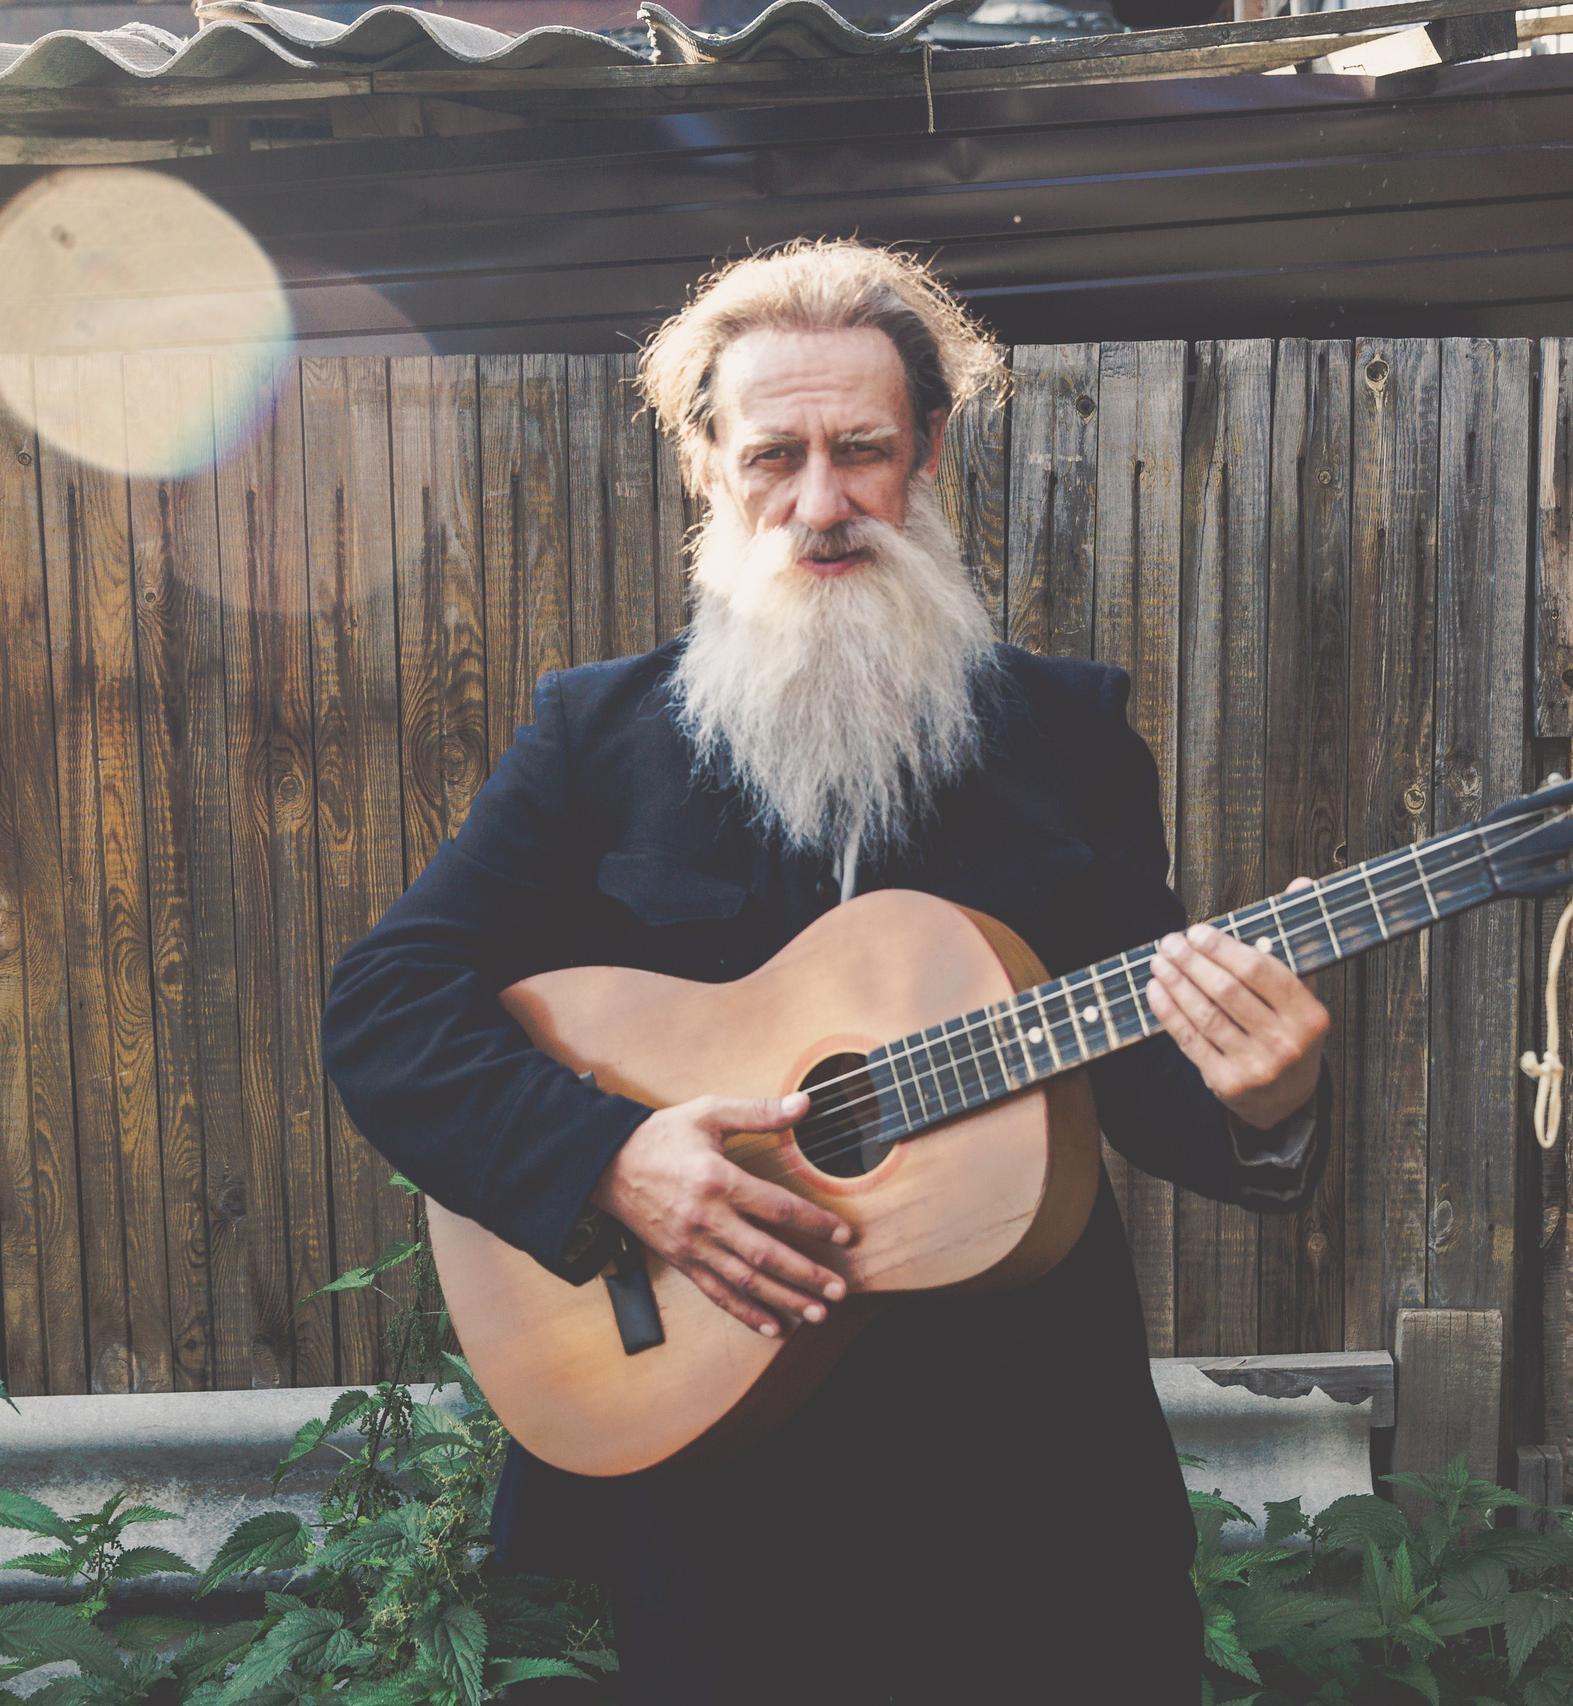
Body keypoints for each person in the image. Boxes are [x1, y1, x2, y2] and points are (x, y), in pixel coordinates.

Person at [321, 239, 1331, 1704]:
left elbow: (1145, 1069)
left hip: (1040, 1495)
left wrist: (1265, 1089)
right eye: (774, 455)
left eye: (861, 451)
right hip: (724, 1506)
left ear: (925, 450)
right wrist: (611, 1156)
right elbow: (387, 1005)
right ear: (704, 463)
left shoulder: (1065, 735)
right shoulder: (596, 744)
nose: (820, 502)